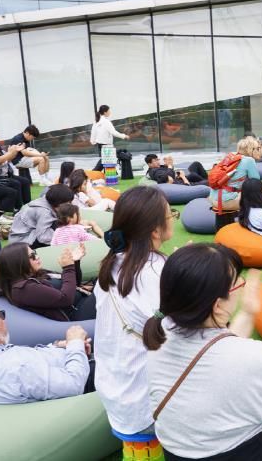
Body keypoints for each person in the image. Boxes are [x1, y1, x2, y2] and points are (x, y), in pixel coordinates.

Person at [143, 245, 262, 459]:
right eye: (237, 283)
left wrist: (248, 313)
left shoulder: (158, 333)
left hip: (180, 454)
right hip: (244, 454)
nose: (240, 286)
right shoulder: (254, 357)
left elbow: (214, 352)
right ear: (218, 305)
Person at [94, 186, 172, 438]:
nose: (172, 219)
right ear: (155, 230)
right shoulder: (156, 271)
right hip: (149, 405)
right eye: (171, 215)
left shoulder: (110, 265)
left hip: (116, 398)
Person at [0, 297, 93, 404]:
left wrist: (61, 346)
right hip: (85, 378)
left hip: (68, 361)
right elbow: (74, 385)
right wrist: (75, 344)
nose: (4, 320)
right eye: (0, 316)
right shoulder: (18, 369)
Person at [0, 242, 96, 322]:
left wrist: (74, 262)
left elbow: (73, 284)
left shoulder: (36, 274)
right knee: (104, 284)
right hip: (75, 315)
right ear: (19, 263)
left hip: (80, 303)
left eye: (35, 253)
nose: (37, 257)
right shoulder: (23, 289)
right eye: (32, 256)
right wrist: (68, 268)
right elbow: (66, 299)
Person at [209, 136, 261, 217]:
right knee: (261, 199)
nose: (260, 151)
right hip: (225, 200)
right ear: (251, 150)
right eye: (258, 148)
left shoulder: (232, 157)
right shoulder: (249, 160)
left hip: (213, 197)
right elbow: (257, 184)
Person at [9, 184, 75, 248]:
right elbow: (43, 237)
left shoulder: (47, 201)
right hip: (21, 242)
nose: (69, 205)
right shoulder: (44, 212)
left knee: (60, 224)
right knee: (58, 226)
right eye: (67, 202)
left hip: (27, 235)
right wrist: (64, 238)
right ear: (59, 201)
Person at [90, 105, 129, 171]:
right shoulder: (106, 121)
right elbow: (114, 132)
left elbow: (93, 132)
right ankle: (94, 172)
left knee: (104, 161)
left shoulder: (97, 120)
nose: (110, 112)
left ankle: (95, 172)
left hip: (100, 144)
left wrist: (92, 141)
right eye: (109, 111)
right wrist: (124, 136)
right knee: (107, 163)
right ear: (105, 112)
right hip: (106, 145)